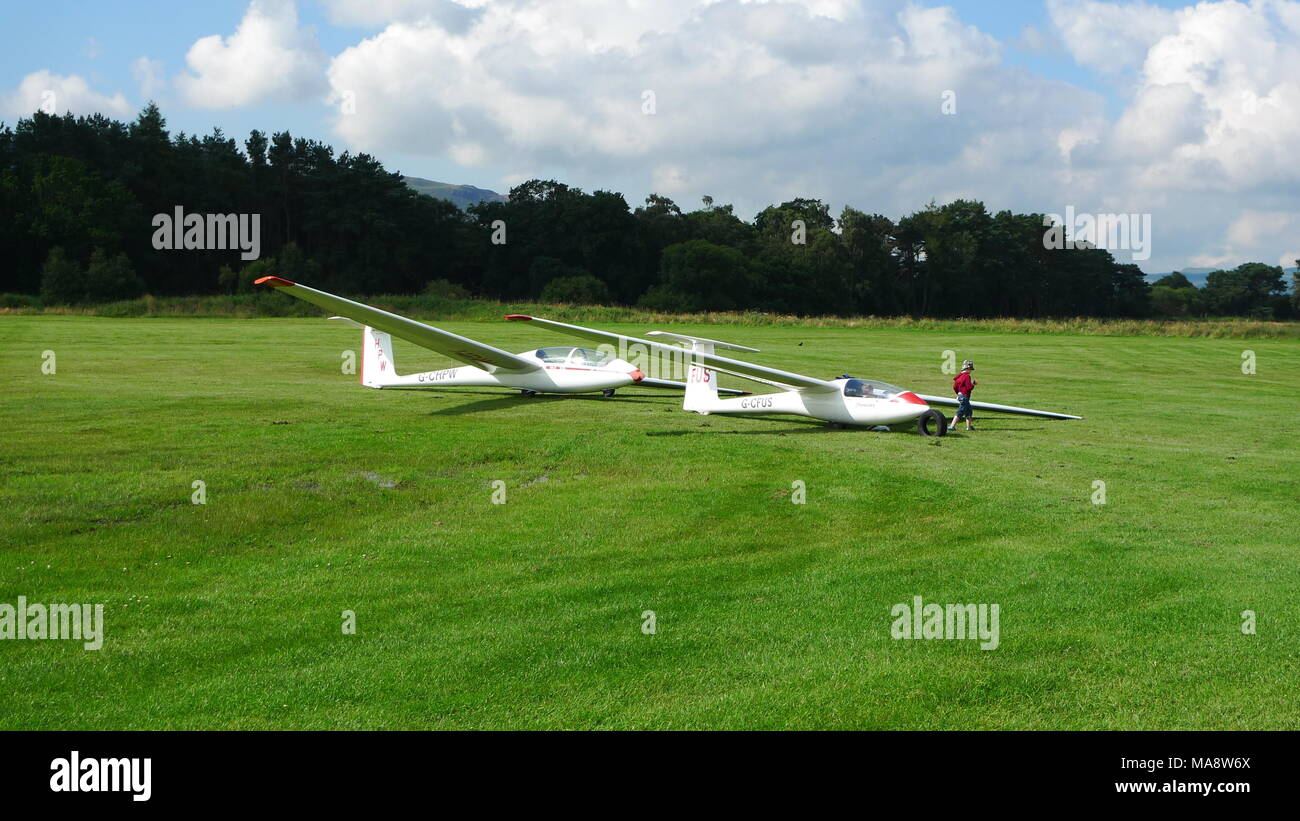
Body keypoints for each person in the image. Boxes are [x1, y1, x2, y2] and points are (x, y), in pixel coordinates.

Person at [952, 360, 978, 431]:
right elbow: (969, 387)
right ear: (968, 369)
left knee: (968, 411)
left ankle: (969, 427)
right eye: (970, 369)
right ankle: (952, 426)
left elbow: (954, 387)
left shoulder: (958, 377)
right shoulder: (967, 376)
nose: (971, 371)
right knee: (961, 411)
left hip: (960, 395)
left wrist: (958, 393)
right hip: (965, 396)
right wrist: (973, 384)